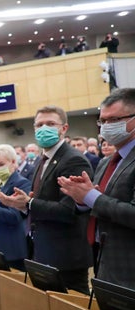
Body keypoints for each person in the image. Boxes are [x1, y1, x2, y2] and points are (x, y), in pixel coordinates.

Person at [0, 105, 92, 295]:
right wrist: (22, 205)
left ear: (63, 128)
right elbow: (38, 203)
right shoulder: (43, 160)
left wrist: (29, 203)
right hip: (43, 251)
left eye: (50, 124)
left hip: (66, 256)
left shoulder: (72, 160)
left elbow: (68, 210)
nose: (43, 129)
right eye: (39, 125)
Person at [58, 88, 135, 288]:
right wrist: (82, 199)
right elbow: (100, 206)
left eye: (114, 120)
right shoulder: (106, 162)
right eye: (103, 121)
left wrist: (91, 196)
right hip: (105, 262)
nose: (106, 127)